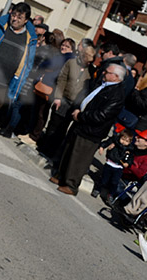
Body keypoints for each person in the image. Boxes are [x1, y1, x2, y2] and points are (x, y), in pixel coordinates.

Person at [52, 62, 126, 196]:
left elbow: (102, 115)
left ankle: (71, 184)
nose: (104, 73)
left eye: (107, 72)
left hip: (91, 130)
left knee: (79, 158)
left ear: (116, 77)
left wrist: (81, 116)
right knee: (69, 151)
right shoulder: (104, 85)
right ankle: (61, 177)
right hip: (80, 124)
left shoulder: (117, 94)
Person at [37, 44, 96, 159]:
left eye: (89, 62)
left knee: (63, 128)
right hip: (63, 99)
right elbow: (62, 79)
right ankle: (44, 147)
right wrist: (58, 97)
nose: (87, 63)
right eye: (86, 60)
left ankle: (52, 152)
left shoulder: (91, 70)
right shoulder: (71, 63)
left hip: (75, 104)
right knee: (54, 124)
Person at [23, 36, 75, 144]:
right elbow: (45, 65)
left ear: (72, 49)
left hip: (52, 88)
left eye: (67, 46)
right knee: (37, 110)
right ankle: (31, 132)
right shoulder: (59, 56)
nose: (63, 47)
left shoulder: (68, 59)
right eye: (63, 45)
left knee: (42, 112)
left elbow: (52, 67)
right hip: (44, 84)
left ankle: (34, 136)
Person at [92, 128, 135, 199]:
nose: (124, 142)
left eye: (127, 141)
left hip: (119, 167)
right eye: (123, 139)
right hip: (110, 164)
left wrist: (127, 163)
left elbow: (130, 158)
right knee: (103, 179)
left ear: (130, 142)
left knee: (114, 182)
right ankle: (97, 189)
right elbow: (106, 142)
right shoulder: (115, 142)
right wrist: (102, 147)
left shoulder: (129, 149)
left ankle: (110, 194)